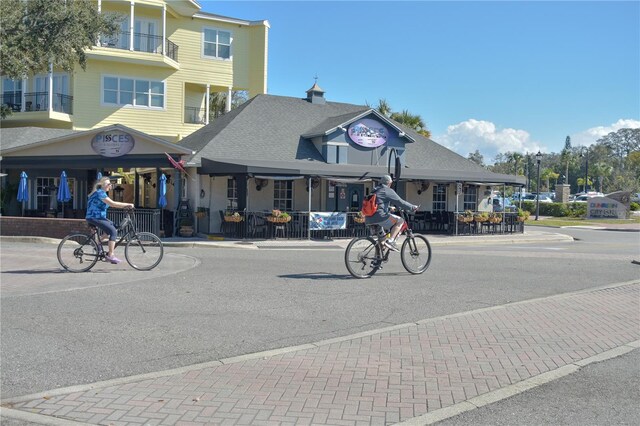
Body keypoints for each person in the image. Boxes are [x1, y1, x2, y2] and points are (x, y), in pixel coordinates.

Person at [86, 176, 134, 264]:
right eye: (108, 184)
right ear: (102, 185)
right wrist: (128, 204)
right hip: (95, 217)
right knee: (113, 232)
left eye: (110, 184)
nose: (110, 186)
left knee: (113, 227)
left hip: (97, 217)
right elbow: (112, 204)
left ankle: (96, 243)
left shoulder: (100, 193)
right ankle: (110, 255)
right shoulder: (100, 193)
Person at [365, 175, 418, 252]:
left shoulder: (375, 190)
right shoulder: (387, 190)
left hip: (369, 218)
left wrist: (389, 208)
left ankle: (377, 260)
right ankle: (391, 241)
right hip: (380, 217)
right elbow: (400, 202)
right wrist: (412, 207)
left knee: (382, 239)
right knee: (400, 221)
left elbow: (377, 204)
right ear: (389, 183)